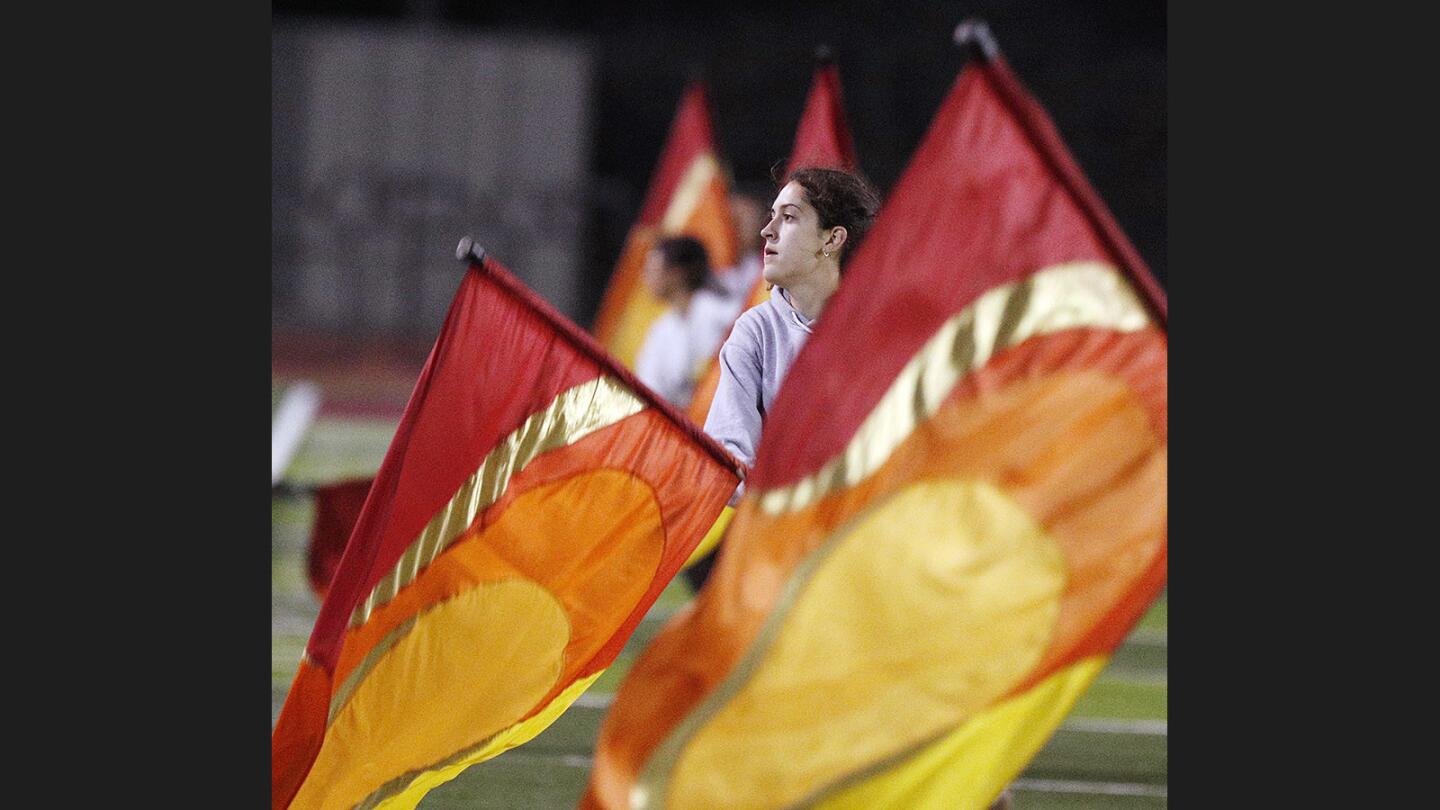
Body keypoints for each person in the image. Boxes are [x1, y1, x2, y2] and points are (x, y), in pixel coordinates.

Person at [682, 167, 880, 594]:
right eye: (770, 216)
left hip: (873, 545)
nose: (767, 231)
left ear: (832, 239)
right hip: (786, 552)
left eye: (788, 217)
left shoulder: (885, 329)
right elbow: (729, 456)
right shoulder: (754, 331)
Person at [633, 235, 740, 409]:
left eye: (652, 270)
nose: (645, 278)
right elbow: (649, 389)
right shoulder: (661, 330)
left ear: (676, 273)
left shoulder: (722, 314)